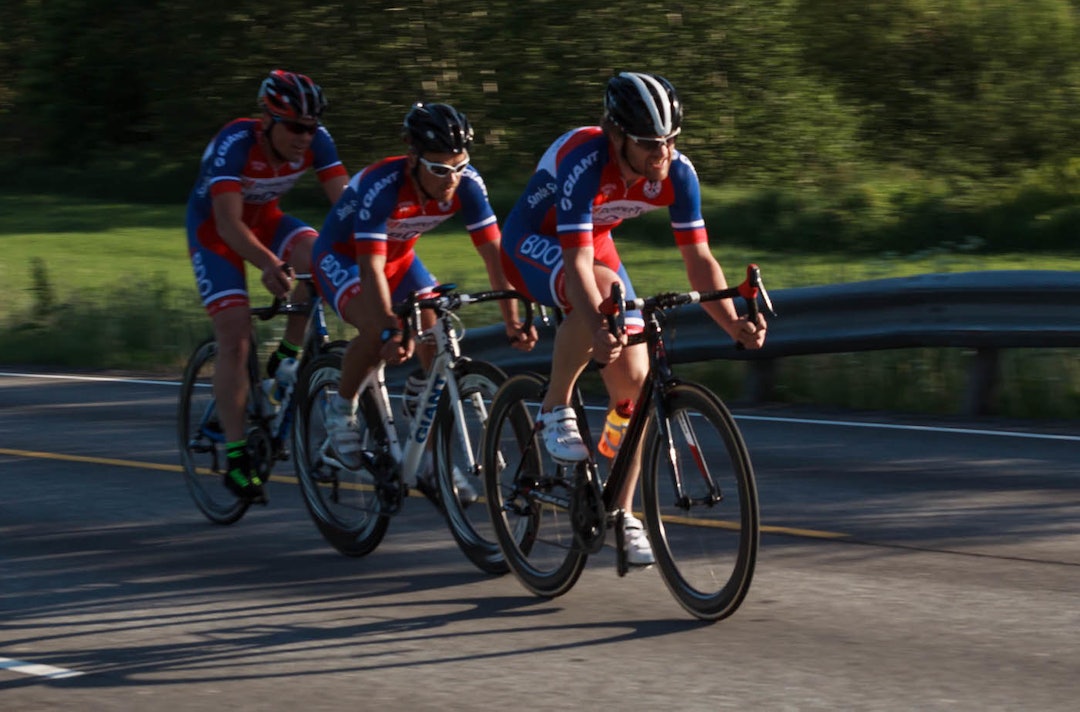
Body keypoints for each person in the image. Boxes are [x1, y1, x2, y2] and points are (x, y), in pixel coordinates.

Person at [499, 71, 768, 565]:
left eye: (669, 141)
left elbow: (699, 260)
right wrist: (599, 325)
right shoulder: (585, 161)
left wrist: (732, 324)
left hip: (594, 249)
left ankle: (620, 512)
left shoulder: (677, 173)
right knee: (602, 298)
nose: (660, 154)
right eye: (648, 144)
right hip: (531, 246)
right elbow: (577, 264)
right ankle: (554, 405)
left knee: (635, 388)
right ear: (616, 134)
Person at [312, 101, 536, 501]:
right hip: (345, 257)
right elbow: (371, 268)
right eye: (438, 168)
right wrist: (385, 326)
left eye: (459, 165)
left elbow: (494, 254)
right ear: (412, 158)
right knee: (377, 327)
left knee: (437, 328)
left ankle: (430, 456)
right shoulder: (383, 186)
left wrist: (512, 318)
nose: (450, 178)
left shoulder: (467, 184)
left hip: (399, 259)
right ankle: (340, 408)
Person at [186, 69, 350, 502]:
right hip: (216, 233)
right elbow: (226, 222)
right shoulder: (234, 144)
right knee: (236, 337)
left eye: (311, 128)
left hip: (268, 221)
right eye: (295, 127)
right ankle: (238, 457)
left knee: (319, 262)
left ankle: (288, 358)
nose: (304, 137)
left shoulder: (317, 142)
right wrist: (268, 263)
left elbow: (350, 207)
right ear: (267, 121)